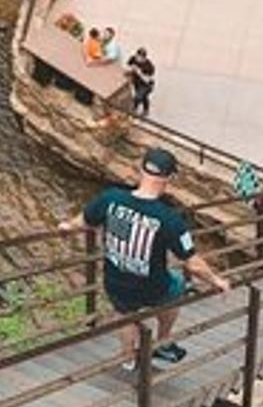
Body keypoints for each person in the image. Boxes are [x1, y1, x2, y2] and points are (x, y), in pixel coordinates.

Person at [61, 149, 230, 370]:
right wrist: (216, 280)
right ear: (169, 179)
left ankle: (128, 359)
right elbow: (192, 263)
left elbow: (83, 220)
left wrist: (67, 226)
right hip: (152, 287)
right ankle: (162, 341)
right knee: (177, 284)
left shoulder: (111, 199)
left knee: (125, 313)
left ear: (141, 170)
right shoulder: (169, 218)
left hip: (115, 282)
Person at [126, 48, 156, 117]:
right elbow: (128, 65)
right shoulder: (133, 59)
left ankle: (134, 110)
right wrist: (130, 70)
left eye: (139, 58)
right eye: (137, 56)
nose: (137, 59)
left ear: (144, 58)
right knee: (143, 97)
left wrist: (139, 72)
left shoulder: (149, 66)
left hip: (146, 85)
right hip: (137, 83)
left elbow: (148, 79)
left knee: (138, 97)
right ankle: (145, 110)